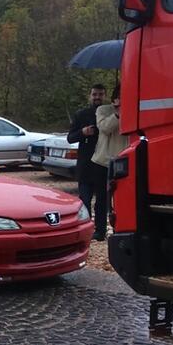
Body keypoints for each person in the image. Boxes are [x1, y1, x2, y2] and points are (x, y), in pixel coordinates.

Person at [67, 84, 107, 240]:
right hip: (85, 165)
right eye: (95, 94)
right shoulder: (81, 114)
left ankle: (101, 231)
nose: (97, 97)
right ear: (90, 95)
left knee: (102, 202)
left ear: (105, 95)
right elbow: (70, 138)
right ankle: (86, 229)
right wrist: (82, 132)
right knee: (84, 200)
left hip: (102, 164)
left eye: (100, 94)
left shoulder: (109, 114)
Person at [90, 84, 127, 241]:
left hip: (123, 160)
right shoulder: (103, 110)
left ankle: (121, 228)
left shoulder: (133, 110)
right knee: (102, 199)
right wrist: (118, 113)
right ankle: (100, 229)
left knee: (122, 197)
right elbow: (104, 128)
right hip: (103, 161)